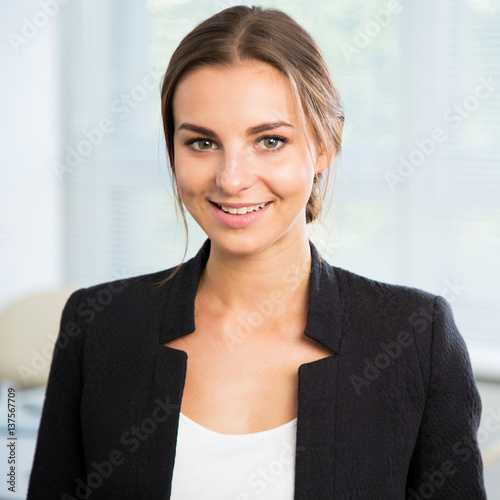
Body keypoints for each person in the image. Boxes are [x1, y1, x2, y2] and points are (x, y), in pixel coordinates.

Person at [28, 5, 486, 499]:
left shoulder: (416, 336)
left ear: (324, 145)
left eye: (269, 140)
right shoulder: (99, 326)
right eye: (202, 143)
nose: (232, 179)